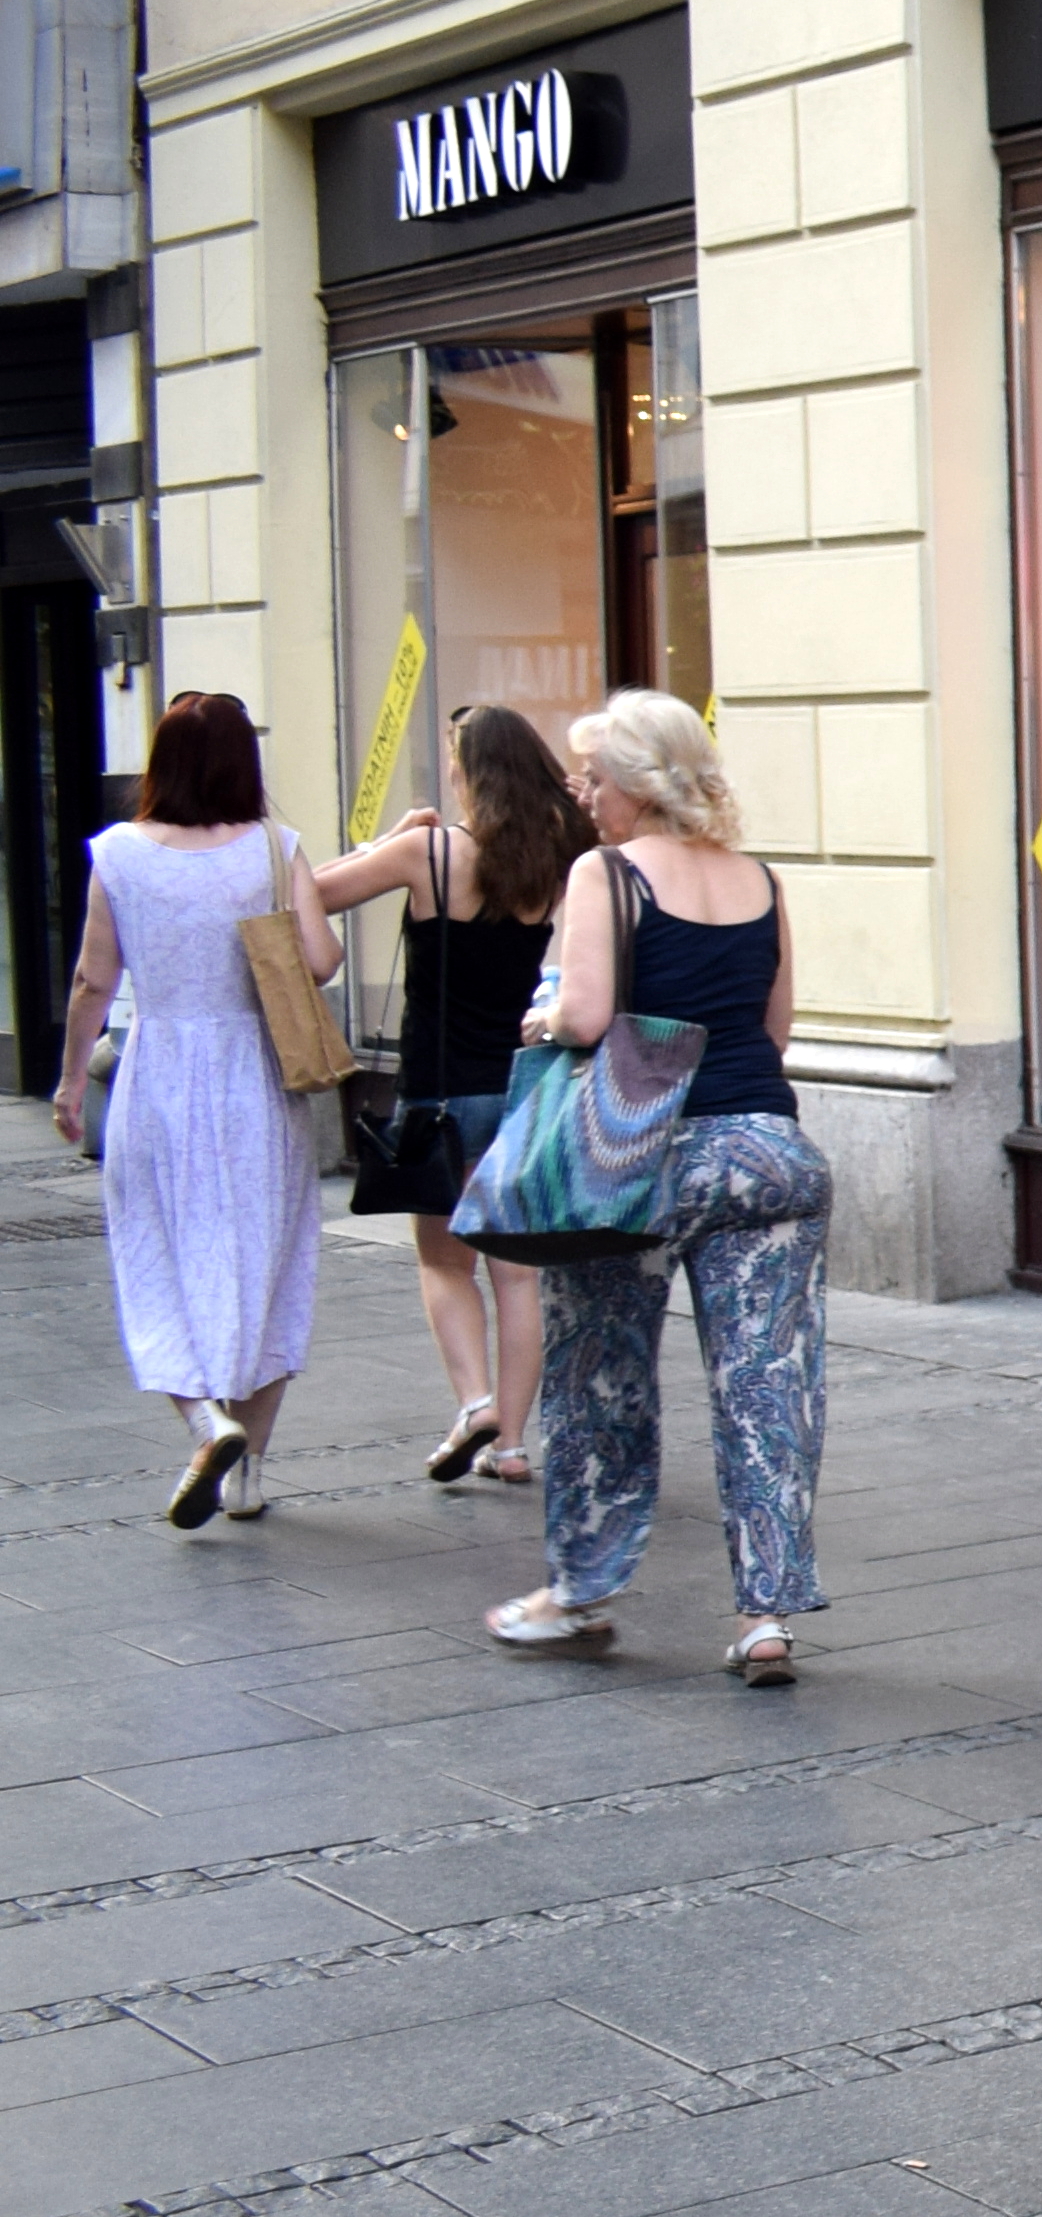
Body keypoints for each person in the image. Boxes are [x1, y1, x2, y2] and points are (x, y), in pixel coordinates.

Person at [487, 689, 830, 1681]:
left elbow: (589, 1014)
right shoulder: (760, 878)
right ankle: (766, 1617)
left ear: (635, 785)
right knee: (769, 1389)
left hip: (638, 1154)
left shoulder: (606, 874)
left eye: (593, 777)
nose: (583, 797)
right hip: (770, 1151)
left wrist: (542, 1023)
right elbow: (773, 1031)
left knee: (600, 1376)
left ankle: (577, 1592)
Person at [49, 691, 337, 1525]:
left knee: (158, 1260)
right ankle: (248, 1475)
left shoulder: (120, 854)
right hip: (258, 1078)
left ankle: (205, 1423)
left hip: (159, 1078)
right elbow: (318, 960)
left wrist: (72, 1084)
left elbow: (91, 983)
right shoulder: (275, 849)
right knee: (268, 1264)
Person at [314, 705, 587, 1491]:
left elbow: (314, 896)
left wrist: (383, 840)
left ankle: (474, 1405)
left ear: (469, 773)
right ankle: (512, 1445)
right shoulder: (564, 858)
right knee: (519, 1275)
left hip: (440, 1096)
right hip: (527, 1088)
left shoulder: (428, 852)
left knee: (442, 1262)